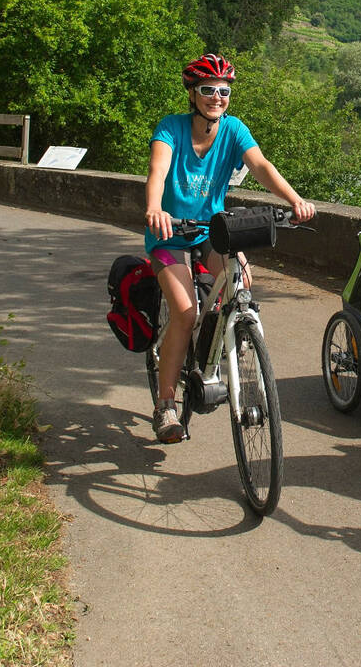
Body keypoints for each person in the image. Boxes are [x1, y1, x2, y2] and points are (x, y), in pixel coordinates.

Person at [144, 53, 315, 442]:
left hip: (210, 231)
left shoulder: (234, 129)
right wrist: (155, 208)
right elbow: (159, 169)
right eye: (208, 90)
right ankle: (166, 405)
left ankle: (221, 350)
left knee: (241, 287)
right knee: (186, 313)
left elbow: (261, 166)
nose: (217, 97)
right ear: (192, 93)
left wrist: (294, 200)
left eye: (223, 91)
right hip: (169, 233)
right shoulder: (171, 128)